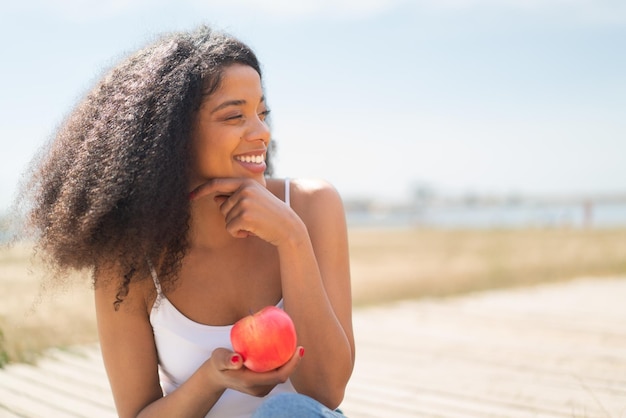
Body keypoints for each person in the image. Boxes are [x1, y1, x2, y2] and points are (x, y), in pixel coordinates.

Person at [18, 26, 354, 417]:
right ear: (171, 137)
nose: (261, 131)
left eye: (262, 113)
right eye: (235, 115)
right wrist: (213, 378)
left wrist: (292, 238)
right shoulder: (129, 258)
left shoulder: (311, 205)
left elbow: (327, 393)